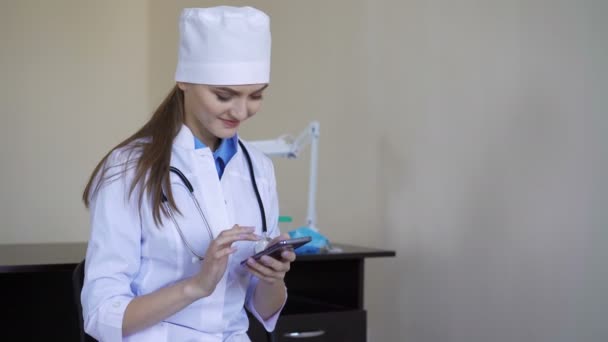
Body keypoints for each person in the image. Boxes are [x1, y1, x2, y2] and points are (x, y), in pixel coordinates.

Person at [80, 6, 295, 342]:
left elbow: (264, 309)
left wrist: (273, 278)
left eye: (255, 96)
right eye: (224, 96)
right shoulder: (128, 168)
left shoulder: (259, 169)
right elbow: (101, 315)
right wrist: (196, 285)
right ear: (184, 80)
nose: (241, 111)